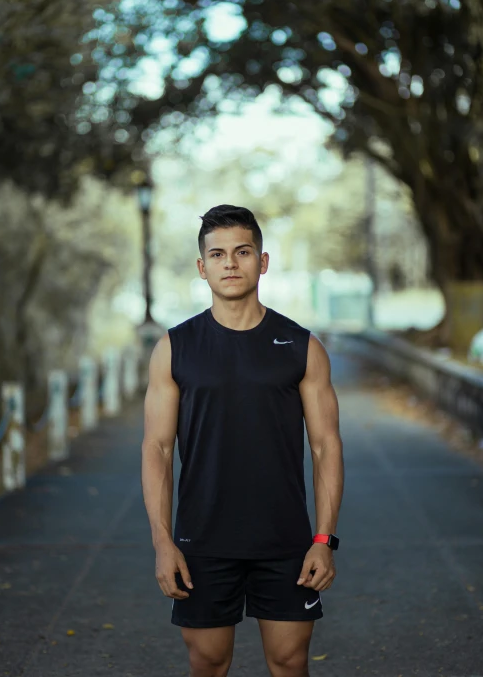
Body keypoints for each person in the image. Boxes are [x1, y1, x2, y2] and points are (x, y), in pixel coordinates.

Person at [141, 204, 344, 677]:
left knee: (290, 662)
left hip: (286, 541)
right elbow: (158, 449)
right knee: (209, 662)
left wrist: (324, 539)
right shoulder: (175, 348)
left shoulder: (301, 346)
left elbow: (325, 447)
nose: (230, 263)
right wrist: (162, 542)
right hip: (203, 541)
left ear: (262, 261)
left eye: (242, 251)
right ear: (202, 266)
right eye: (218, 254)